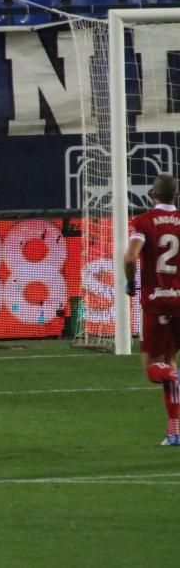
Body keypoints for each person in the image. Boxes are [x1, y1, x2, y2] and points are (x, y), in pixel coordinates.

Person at [124, 173, 180, 447]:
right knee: (168, 361)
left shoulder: (143, 221)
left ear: (152, 195)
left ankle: (174, 376)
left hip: (157, 301)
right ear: (175, 196)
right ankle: (174, 432)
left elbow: (130, 256)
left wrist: (130, 281)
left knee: (152, 369)